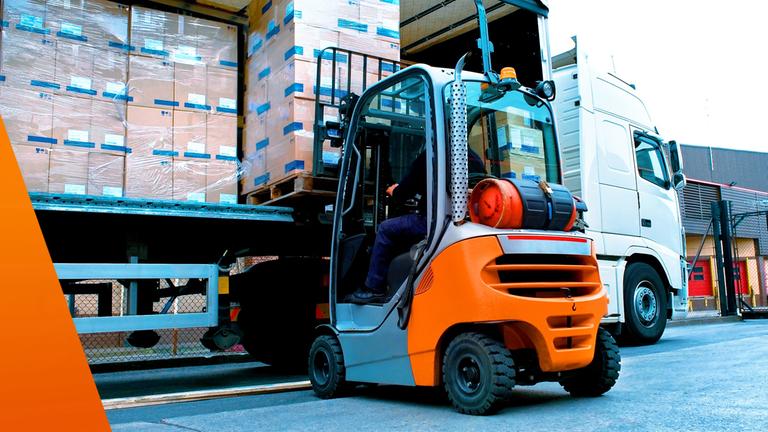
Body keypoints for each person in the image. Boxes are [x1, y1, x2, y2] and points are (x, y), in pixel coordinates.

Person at [349, 151, 428, 304]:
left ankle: (375, 288)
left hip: (429, 221)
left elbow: (405, 192)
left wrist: (395, 191)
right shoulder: (469, 157)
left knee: (386, 228)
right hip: (451, 220)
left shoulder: (430, 156)